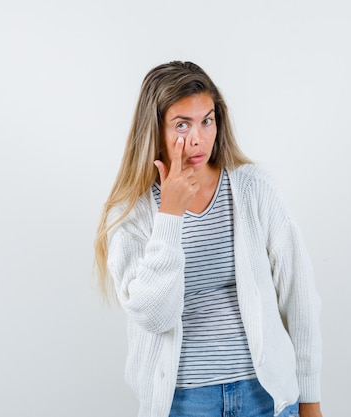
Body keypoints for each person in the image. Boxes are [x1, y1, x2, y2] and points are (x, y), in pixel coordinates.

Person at [94, 61, 322, 417]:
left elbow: (300, 296)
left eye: (207, 120)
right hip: (184, 401)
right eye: (182, 124)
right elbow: (154, 316)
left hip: (264, 395)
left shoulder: (253, 188)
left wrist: (310, 399)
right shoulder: (131, 213)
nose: (198, 138)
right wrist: (169, 215)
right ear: (154, 130)